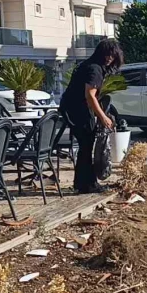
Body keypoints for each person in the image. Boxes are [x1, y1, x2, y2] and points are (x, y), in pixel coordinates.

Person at [59, 38, 123, 194]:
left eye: (112, 55)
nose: (109, 58)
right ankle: (87, 184)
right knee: (86, 145)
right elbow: (90, 95)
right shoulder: (94, 69)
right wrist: (103, 117)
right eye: (107, 54)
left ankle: (82, 183)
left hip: (73, 107)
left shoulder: (91, 66)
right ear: (100, 54)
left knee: (85, 146)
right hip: (77, 110)